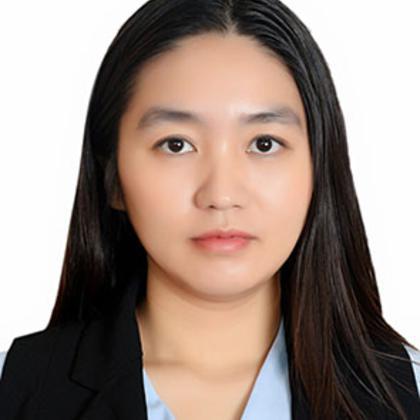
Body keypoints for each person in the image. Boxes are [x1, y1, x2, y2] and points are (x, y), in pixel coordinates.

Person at [0, 0, 419, 419]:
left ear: (319, 167)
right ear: (112, 178)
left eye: (264, 144)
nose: (221, 194)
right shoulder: (16, 390)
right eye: (176, 144)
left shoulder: (409, 391)